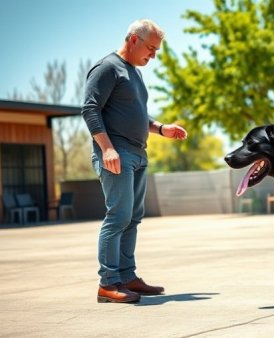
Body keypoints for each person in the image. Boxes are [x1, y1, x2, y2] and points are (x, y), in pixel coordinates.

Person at [82, 19, 188, 303]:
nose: (153, 55)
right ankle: (108, 283)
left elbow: (137, 114)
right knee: (118, 217)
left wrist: (161, 128)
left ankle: (127, 277)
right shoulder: (107, 68)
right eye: (151, 48)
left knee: (132, 219)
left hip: (139, 153)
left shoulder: (134, 73)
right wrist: (106, 149)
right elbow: (90, 108)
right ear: (132, 40)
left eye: (156, 50)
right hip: (117, 154)